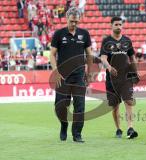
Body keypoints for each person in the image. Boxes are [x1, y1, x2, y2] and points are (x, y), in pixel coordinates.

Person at [50, 7, 93, 143]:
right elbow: (52, 54)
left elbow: (90, 55)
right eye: (72, 21)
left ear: (79, 19)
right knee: (61, 106)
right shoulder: (58, 34)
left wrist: (89, 72)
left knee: (80, 106)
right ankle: (64, 125)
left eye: (76, 21)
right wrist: (55, 71)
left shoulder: (85, 34)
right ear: (66, 18)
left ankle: (77, 134)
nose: (74, 24)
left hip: (79, 76)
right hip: (62, 76)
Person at [100, 17, 139, 139]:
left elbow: (132, 58)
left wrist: (135, 71)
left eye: (120, 24)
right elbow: (103, 58)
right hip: (112, 78)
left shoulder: (127, 41)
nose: (118, 26)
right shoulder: (106, 41)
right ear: (111, 26)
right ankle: (118, 128)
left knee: (128, 101)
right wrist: (109, 67)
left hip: (126, 77)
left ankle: (130, 128)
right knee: (115, 106)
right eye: (116, 24)